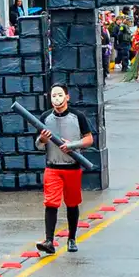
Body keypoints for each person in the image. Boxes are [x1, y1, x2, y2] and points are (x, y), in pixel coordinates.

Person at [34, 84, 94, 255]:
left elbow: (89, 139)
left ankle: (72, 238)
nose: (57, 99)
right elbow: (37, 145)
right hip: (52, 167)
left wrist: (72, 145)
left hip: (72, 167)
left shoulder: (78, 116)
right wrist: (43, 140)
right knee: (51, 203)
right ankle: (49, 241)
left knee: (72, 203)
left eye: (60, 95)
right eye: (54, 96)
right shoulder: (45, 118)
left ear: (67, 97)